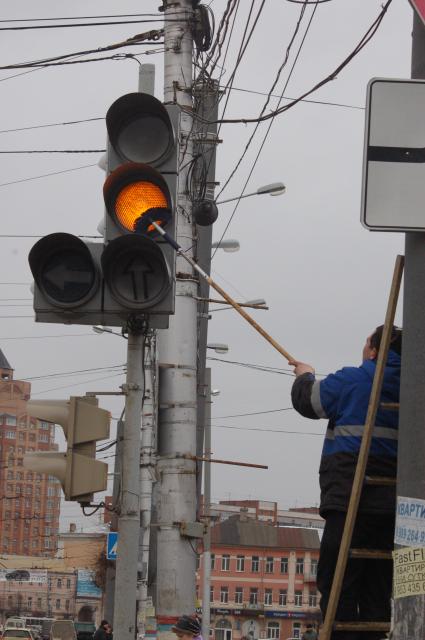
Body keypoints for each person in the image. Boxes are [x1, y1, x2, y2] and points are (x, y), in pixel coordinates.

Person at [290, 325, 402, 640]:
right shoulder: (413, 388)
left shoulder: (354, 380)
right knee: (377, 589)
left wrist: (305, 374)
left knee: (338, 583)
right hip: (392, 507)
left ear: (374, 351)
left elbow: (308, 402)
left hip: (350, 498)